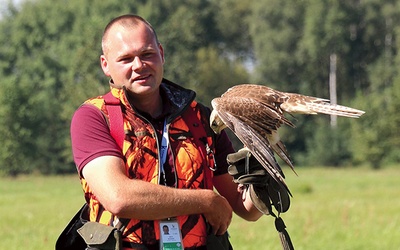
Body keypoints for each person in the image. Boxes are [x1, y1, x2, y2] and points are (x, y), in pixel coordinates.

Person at [70, 14, 262, 249]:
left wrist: (264, 174)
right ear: (105, 65)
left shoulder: (200, 118)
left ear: (161, 53)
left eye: (147, 54)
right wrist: (206, 201)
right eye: (126, 59)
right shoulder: (94, 117)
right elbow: (118, 197)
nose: (139, 65)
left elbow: (245, 208)